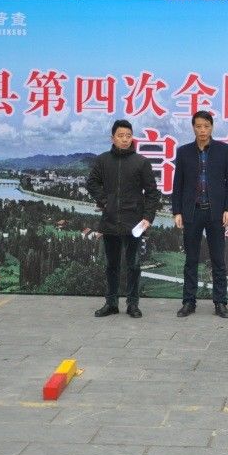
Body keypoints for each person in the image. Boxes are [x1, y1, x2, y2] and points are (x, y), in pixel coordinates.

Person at [86, 119, 160, 318]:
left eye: (128, 136)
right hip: (109, 221)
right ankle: (111, 303)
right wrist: (105, 201)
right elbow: (91, 183)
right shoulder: (103, 160)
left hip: (134, 222)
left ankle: (133, 304)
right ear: (113, 138)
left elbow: (152, 193)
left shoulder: (141, 162)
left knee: (133, 265)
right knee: (111, 265)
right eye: (121, 136)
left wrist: (148, 217)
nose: (125, 139)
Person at [171, 110, 228, 318]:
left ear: (212, 127)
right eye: (198, 126)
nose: (202, 130)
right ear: (193, 128)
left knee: (218, 260)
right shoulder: (184, 152)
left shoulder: (223, 150)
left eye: (206, 126)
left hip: (216, 213)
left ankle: (220, 302)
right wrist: (177, 211)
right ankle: (189, 302)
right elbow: (178, 184)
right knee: (191, 260)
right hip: (192, 212)